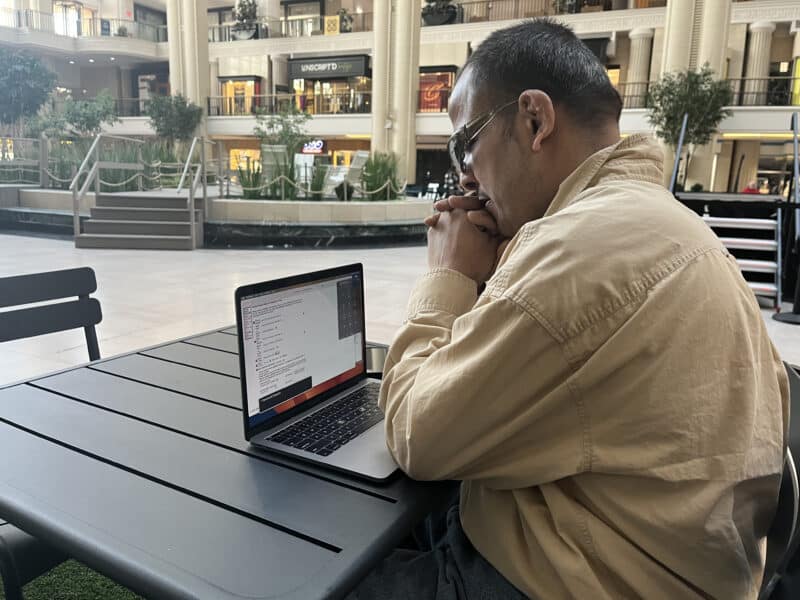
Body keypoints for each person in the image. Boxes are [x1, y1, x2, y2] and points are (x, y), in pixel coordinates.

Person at [348, 18, 788, 600]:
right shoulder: (656, 222)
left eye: (466, 142)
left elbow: (417, 436)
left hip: (568, 579)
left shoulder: (578, 248)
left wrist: (448, 275)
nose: (463, 173)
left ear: (535, 119)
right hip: (649, 553)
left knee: (295, 573)